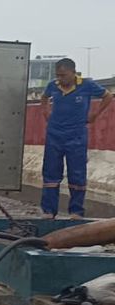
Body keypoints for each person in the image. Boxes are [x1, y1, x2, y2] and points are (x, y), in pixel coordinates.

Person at [40, 58, 112, 219]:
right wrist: (45, 112)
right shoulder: (53, 85)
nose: (60, 78)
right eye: (58, 75)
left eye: (63, 75)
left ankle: (76, 211)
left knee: (77, 173)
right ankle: (48, 211)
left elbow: (107, 96)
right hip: (54, 135)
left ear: (73, 72)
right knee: (50, 173)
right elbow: (44, 98)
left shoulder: (86, 85)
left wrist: (95, 114)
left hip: (76, 135)